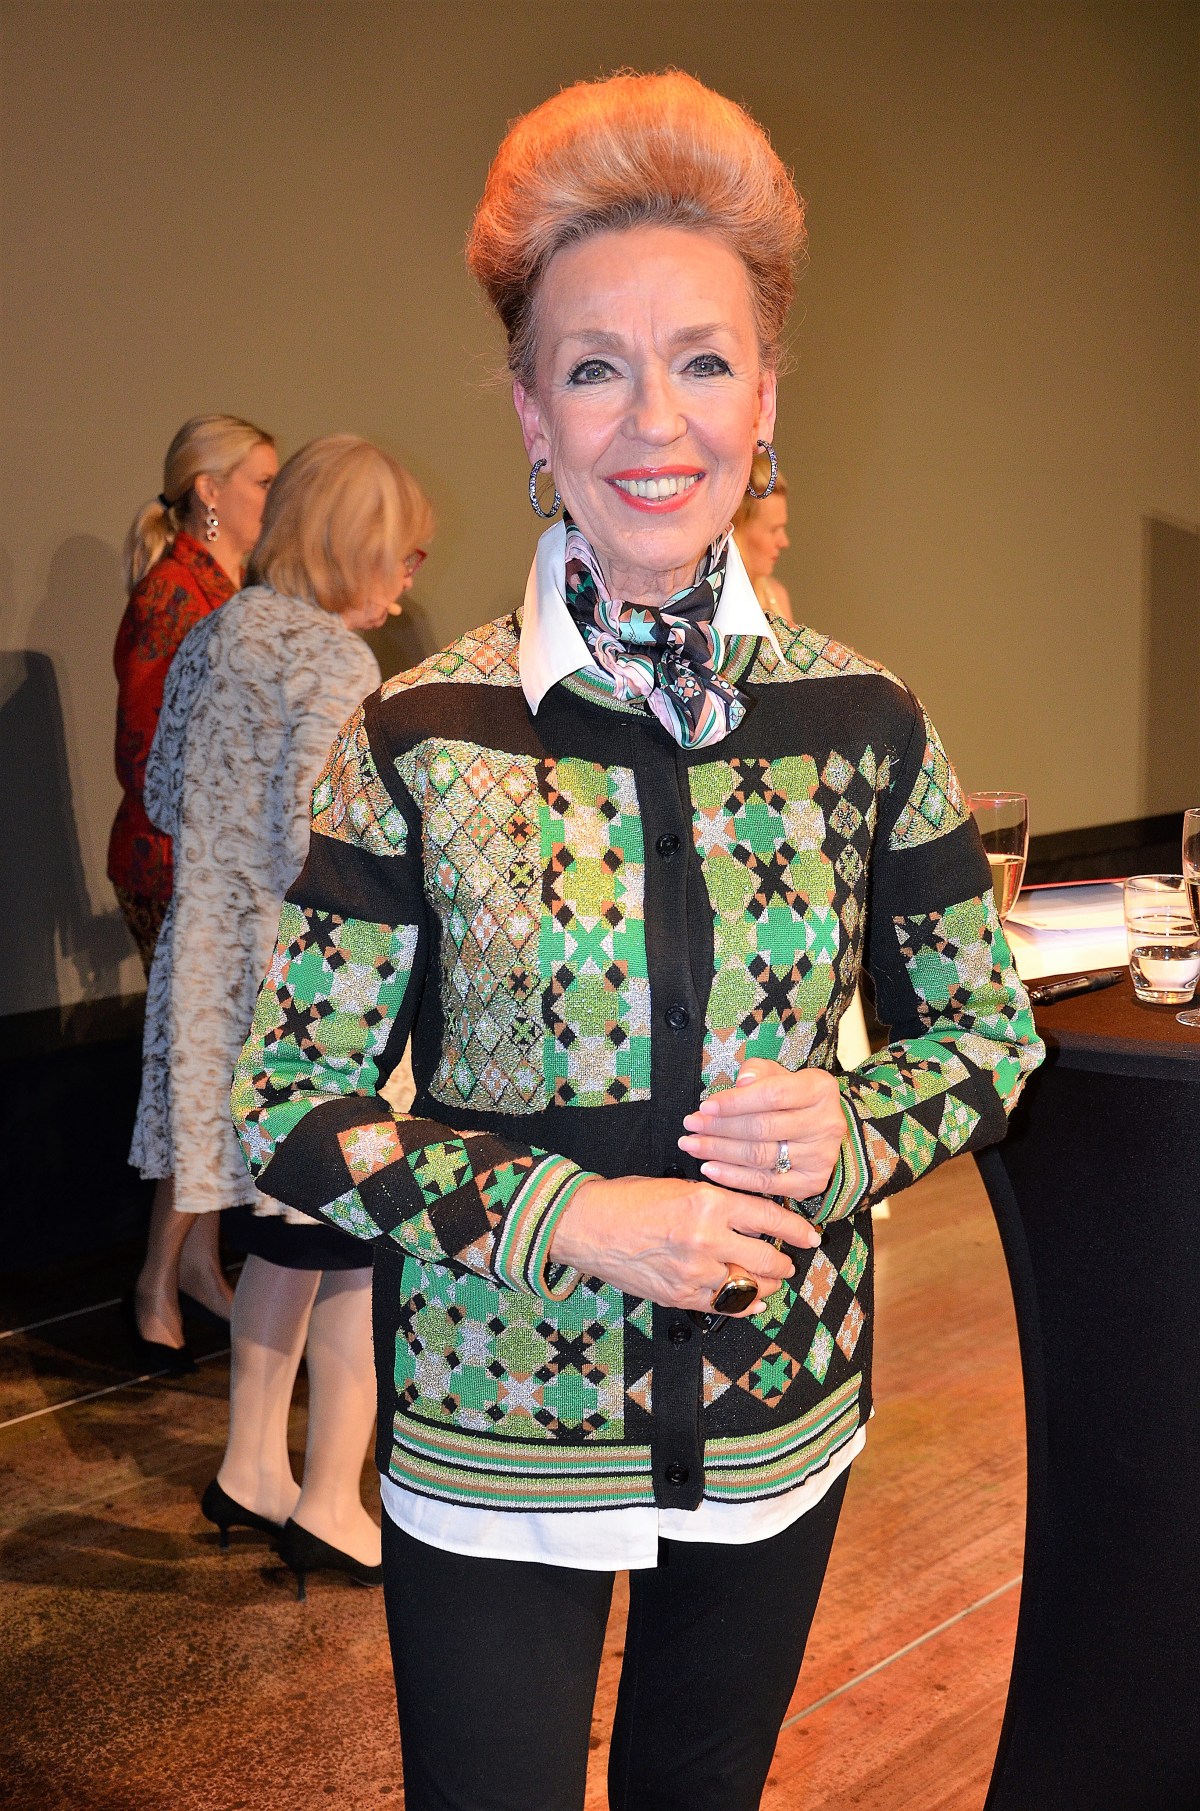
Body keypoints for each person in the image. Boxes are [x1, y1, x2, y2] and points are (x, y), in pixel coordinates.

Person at [231, 72, 1043, 1811]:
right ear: (533, 414)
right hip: (491, 1437)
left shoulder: (869, 722)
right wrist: (573, 1215)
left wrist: (854, 1126)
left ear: (766, 397)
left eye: (703, 360)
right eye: (596, 368)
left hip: (775, 1416)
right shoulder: (416, 733)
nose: (654, 420)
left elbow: (988, 1039)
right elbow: (286, 1102)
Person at [135, 435, 432, 1585]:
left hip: (213, 968)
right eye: (401, 553)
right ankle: (329, 1499)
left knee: (284, 1236)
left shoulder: (218, 632)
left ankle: (252, 1464)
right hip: (308, 991)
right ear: (354, 544)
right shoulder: (337, 663)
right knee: (355, 1246)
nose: (406, 578)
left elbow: (163, 791)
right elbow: (337, 843)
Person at [110, 413, 278, 1369]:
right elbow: (148, 761)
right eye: (261, 480)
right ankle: (155, 1278)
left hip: (221, 874)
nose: (273, 497)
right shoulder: (174, 593)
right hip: (182, 875)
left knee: (218, 1073)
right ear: (210, 491)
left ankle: (200, 1266)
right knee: (204, 1076)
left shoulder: (225, 588)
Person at [733, 452, 794, 623]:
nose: (785, 542)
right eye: (774, 530)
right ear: (736, 529)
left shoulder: (776, 596)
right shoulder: (705, 608)